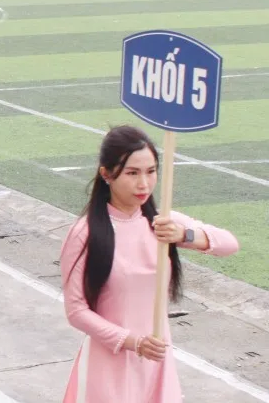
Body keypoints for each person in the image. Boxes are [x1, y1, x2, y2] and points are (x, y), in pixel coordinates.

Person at [60, 125, 240, 402]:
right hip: (108, 369)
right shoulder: (85, 233)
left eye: (151, 171)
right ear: (106, 174)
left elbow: (229, 244)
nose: (144, 184)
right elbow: (76, 311)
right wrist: (133, 342)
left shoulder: (162, 222)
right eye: (132, 173)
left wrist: (185, 235)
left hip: (156, 364)